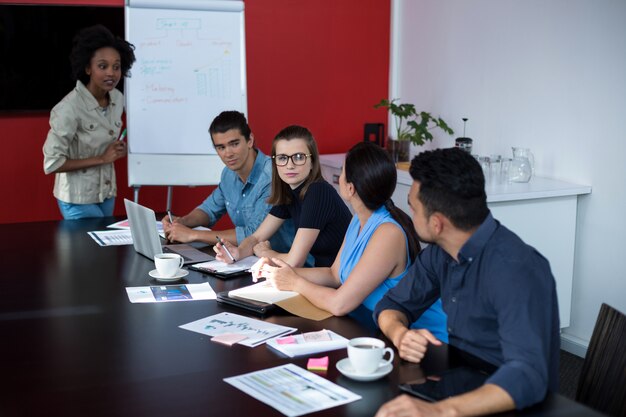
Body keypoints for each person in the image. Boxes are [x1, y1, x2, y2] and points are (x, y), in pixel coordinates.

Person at [374, 148, 560, 417]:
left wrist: (440, 411)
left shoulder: (516, 270)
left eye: (413, 208)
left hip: (509, 401)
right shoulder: (442, 252)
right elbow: (392, 304)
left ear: (437, 223)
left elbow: (526, 375)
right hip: (461, 383)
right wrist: (399, 334)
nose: (409, 213)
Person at [251, 143, 448, 335]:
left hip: (423, 339)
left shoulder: (388, 233)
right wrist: (281, 272)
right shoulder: (358, 219)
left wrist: (294, 282)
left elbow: (339, 304)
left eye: (342, 172)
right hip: (377, 328)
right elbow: (333, 275)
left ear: (351, 188)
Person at [215, 125, 351, 267]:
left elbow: (294, 261)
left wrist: (267, 253)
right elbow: (257, 236)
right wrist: (237, 252)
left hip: (342, 281)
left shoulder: (318, 192)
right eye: (282, 158)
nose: (289, 165)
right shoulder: (288, 191)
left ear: (312, 162)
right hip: (321, 276)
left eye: (298, 157)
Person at [161, 111, 293, 253]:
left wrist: (192, 235)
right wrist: (182, 222)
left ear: (250, 140)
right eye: (221, 147)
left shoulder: (271, 176)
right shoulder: (228, 174)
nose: (228, 154)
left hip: (283, 263)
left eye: (234, 144)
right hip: (247, 259)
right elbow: (209, 209)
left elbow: (252, 235)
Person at [43, 25, 136, 219]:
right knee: (86, 250)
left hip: (107, 193)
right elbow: (51, 163)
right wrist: (102, 158)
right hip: (77, 198)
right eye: (103, 66)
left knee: (104, 249)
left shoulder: (118, 98)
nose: (111, 73)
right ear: (87, 68)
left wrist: (117, 149)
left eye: (116, 66)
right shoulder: (69, 108)